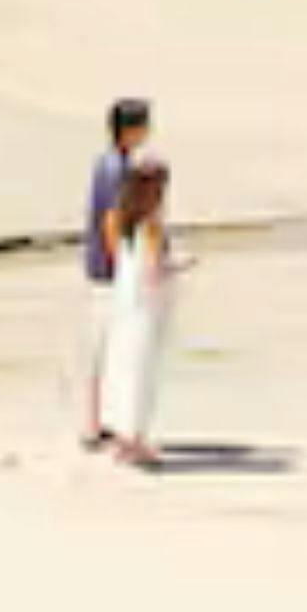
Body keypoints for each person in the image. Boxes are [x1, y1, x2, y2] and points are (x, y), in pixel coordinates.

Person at [93, 152, 176, 470]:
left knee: (121, 363)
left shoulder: (116, 218)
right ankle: (135, 440)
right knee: (141, 368)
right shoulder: (151, 224)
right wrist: (176, 267)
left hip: (123, 299)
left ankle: (121, 437)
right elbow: (155, 268)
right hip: (145, 303)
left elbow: (119, 258)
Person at [79, 96, 153, 453]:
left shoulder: (114, 163)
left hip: (103, 267)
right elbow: (110, 221)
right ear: (130, 130)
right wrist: (123, 265)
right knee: (106, 347)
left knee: (104, 346)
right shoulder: (115, 168)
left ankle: (96, 424)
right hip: (107, 271)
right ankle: (94, 426)